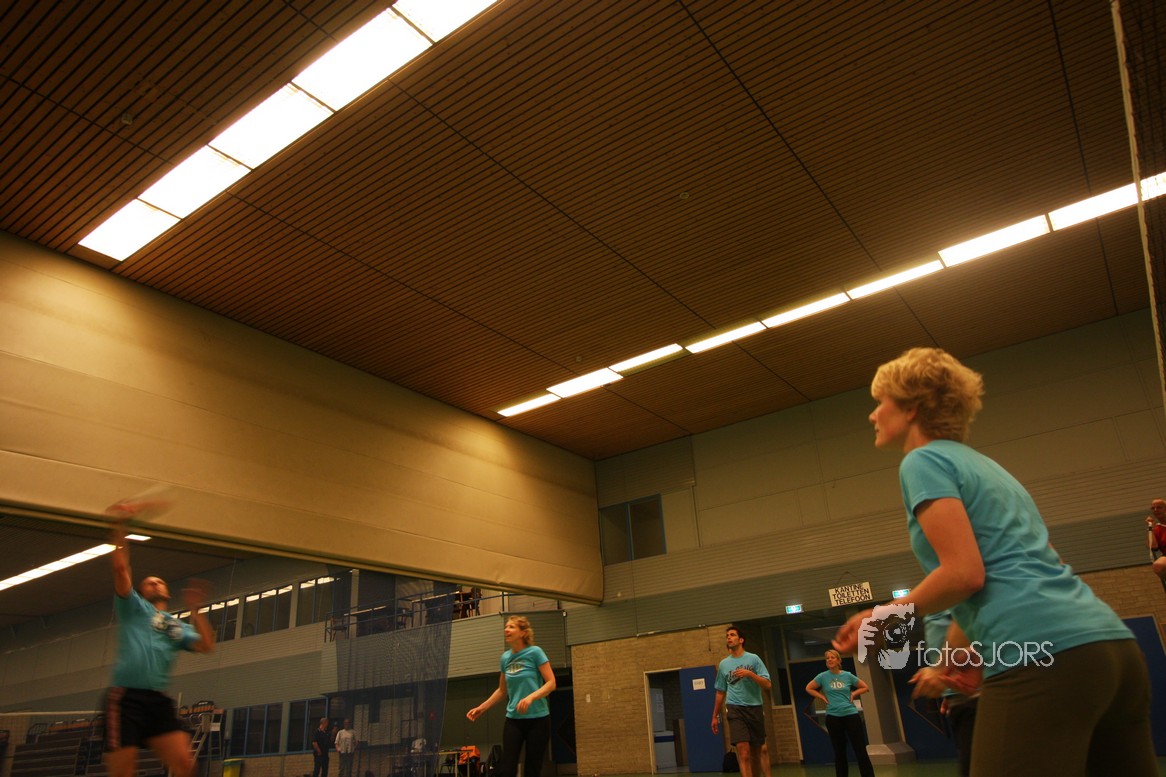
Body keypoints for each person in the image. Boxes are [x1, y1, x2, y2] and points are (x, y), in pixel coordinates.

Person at [833, 347, 1157, 776]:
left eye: (880, 402)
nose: (873, 414)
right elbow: (1018, 572)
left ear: (911, 407)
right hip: (1110, 650)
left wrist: (880, 618)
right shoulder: (989, 468)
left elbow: (964, 574)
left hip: (1040, 656)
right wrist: (954, 659)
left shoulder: (922, 461)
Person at [103, 500, 214, 777]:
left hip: (157, 701)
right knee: (124, 772)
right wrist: (120, 526)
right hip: (126, 698)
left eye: (159, 581)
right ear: (141, 591)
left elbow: (206, 645)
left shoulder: (175, 627)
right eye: (149, 582)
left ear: (167, 591)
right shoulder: (133, 607)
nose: (155, 583)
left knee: (186, 765)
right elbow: (120, 569)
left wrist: (196, 610)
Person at [466, 616, 556, 777]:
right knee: (507, 768)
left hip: (538, 719)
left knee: (532, 770)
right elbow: (502, 690)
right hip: (514, 720)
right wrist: (482, 708)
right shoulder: (505, 658)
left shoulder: (535, 652)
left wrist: (530, 698)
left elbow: (551, 683)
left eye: (512, 627)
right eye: (506, 626)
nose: (506, 629)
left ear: (523, 633)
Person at [710, 626, 771, 777]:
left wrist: (751, 674)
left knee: (757, 751)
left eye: (732, 635)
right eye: (727, 636)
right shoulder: (724, 664)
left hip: (754, 708)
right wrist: (714, 716)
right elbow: (720, 692)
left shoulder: (753, 659)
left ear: (741, 640)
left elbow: (767, 684)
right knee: (743, 752)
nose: (729, 638)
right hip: (735, 708)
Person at [805, 649, 875, 777]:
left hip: (851, 715)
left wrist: (854, 693)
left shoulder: (847, 675)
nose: (829, 660)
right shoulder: (822, 677)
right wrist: (821, 697)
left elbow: (865, 687)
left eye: (832, 657)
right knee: (839, 751)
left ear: (838, 660)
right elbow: (809, 688)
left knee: (860, 749)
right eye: (827, 658)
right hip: (833, 717)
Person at [1145, 498, 1166, 584]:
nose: (1155, 510)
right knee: (1158, 565)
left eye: (1159, 507)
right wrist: (1150, 528)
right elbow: (1153, 547)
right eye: (1153, 508)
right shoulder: (1156, 529)